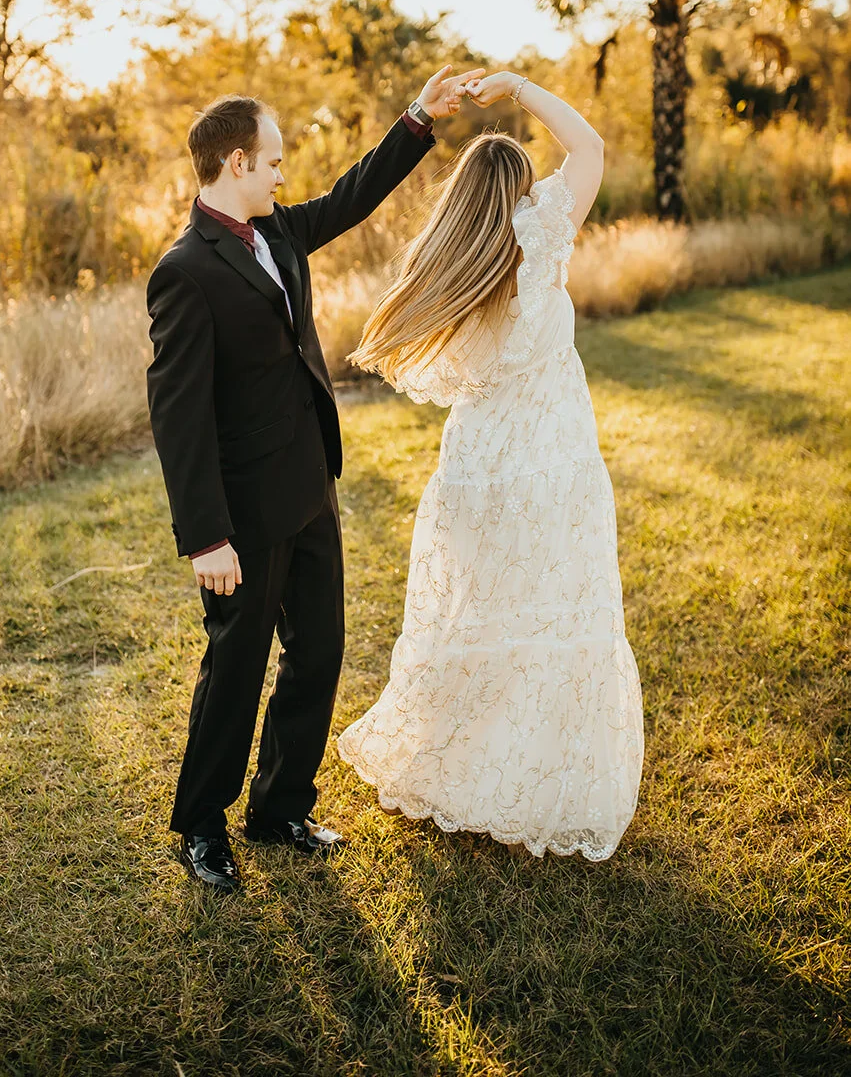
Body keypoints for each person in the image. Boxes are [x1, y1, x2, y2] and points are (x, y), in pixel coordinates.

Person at [146, 64, 484, 893]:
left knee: (319, 653)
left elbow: (351, 195)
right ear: (234, 166)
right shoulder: (185, 272)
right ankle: (202, 827)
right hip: (243, 517)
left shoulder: (279, 233)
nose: (283, 172)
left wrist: (417, 119)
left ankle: (279, 807)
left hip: (310, 489)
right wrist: (207, 538)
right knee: (235, 667)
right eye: (271, 160)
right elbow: (177, 418)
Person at [336, 70, 644, 861]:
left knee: (474, 619)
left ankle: (461, 770)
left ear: (463, 198)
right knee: (549, 617)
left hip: (477, 468)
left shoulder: (456, 261)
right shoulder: (540, 234)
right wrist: (515, 88)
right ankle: (532, 772)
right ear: (520, 187)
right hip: (551, 463)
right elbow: (588, 144)